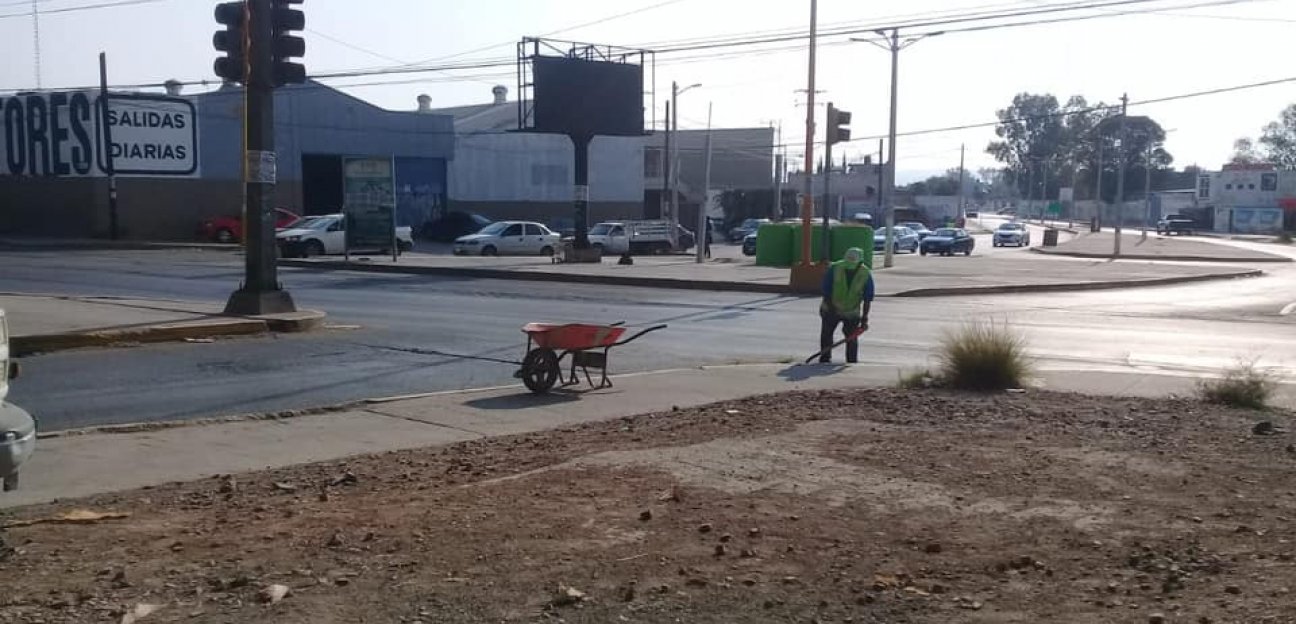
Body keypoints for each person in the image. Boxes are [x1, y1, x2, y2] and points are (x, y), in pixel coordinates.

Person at [819, 247, 875, 364]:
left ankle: (850, 362)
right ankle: (826, 359)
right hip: (833, 309)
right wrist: (832, 308)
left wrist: (864, 318)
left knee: (849, 338)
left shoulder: (864, 273)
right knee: (829, 336)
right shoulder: (835, 268)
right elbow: (826, 290)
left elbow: (868, 298)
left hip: (849, 311)